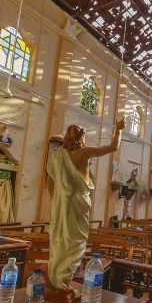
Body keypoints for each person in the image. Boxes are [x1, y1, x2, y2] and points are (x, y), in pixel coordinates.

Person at [46, 118, 126, 292]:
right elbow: (113, 147)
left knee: (61, 242)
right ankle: (63, 286)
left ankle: (57, 283)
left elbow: (50, 183)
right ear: (82, 138)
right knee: (75, 243)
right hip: (79, 204)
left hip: (62, 205)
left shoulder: (57, 156)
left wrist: (58, 201)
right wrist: (118, 129)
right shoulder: (84, 153)